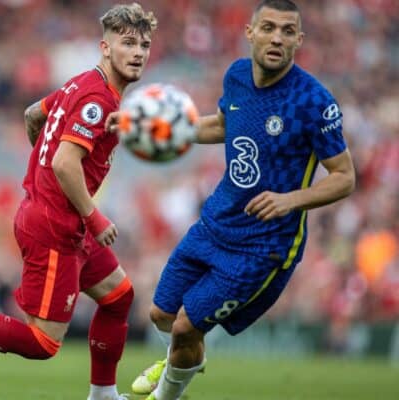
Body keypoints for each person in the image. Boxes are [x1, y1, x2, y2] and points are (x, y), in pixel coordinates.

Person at [0, 4, 156, 399]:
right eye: (128, 43)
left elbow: (33, 114)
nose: (138, 52)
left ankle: (103, 395)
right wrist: (93, 215)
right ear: (106, 47)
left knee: (119, 297)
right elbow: (65, 161)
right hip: (57, 226)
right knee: (43, 342)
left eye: (144, 44)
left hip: (58, 215)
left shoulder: (81, 84)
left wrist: (44, 175)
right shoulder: (97, 99)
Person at [110, 1, 356, 398]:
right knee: (160, 315)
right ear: (250, 32)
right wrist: (144, 126)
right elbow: (222, 126)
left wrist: (290, 200)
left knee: (188, 326)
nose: (277, 37)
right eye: (270, 27)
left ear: (299, 40)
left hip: (263, 245)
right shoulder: (237, 76)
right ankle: (184, 359)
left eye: (288, 31)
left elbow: (345, 178)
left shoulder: (314, 101)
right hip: (215, 224)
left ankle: (167, 393)